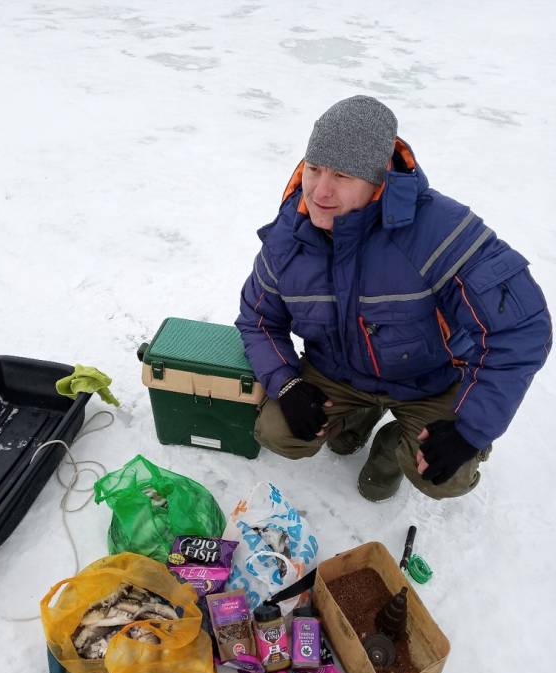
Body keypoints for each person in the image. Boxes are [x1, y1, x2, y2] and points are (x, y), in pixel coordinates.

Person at [236, 95, 552, 502]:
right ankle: (360, 413)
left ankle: (393, 443)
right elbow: (258, 319)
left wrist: (470, 430)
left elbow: (521, 329)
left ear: (379, 179)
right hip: (339, 372)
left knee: (444, 475)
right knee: (277, 431)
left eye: (343, 176)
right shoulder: (289, 237)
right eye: (314, 170)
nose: (320, 191)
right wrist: (287, 382)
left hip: (430, 381)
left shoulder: (439, 231)